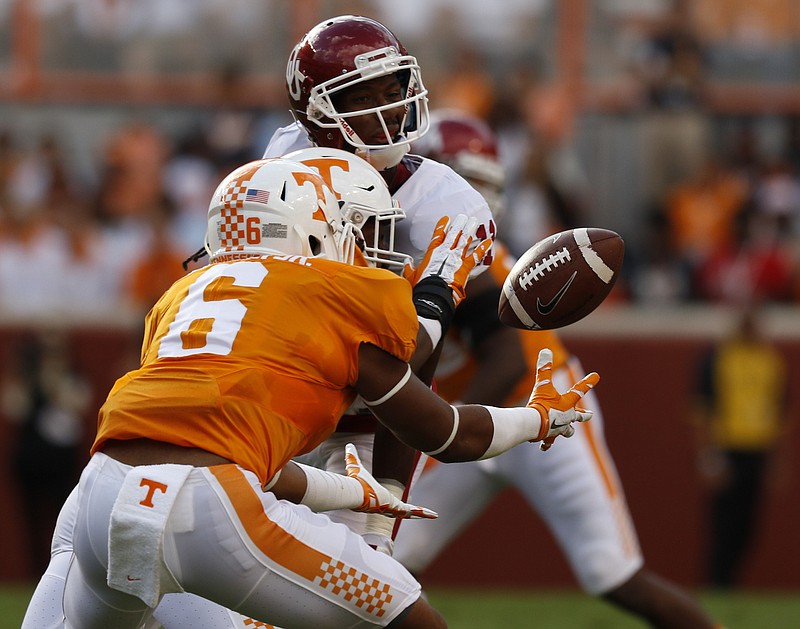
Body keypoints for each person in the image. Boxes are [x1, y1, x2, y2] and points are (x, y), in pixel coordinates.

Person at [23, 156, 599, 629]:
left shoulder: (181, 297)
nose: (368, 249)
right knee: (410, 618)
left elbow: (219, 450)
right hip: (210, 511)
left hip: (99, 499)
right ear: (315, 231)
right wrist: (531, 415)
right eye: (357, 229)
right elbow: (442, 431)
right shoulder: (326, 290)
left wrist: (346, 492)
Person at [391, 109, 723, 629]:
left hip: (545, 407)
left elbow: (506, 361)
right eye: (464, 181)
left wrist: (439, 429)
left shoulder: (481, 261)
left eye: (484, 185)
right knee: (383, 564)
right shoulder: (392, 249)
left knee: (611, 573)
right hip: (462, 416)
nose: (474, 198)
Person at [262, 13, 500, 558]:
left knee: (352, 584)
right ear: (318, 113)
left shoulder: (446, 202)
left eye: (393, 90)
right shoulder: (284, 164)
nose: (389, 110)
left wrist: (387, 491)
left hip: (372, 416)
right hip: (281, 403)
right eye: (363, 96)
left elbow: (417, 347)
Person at [692, 303, 789, 589]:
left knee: (749, 525)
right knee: (724, 523)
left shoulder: (771, 360)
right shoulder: (718, 357)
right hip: (727, 448)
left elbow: (779, 412)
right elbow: (702, 410)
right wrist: (709, 457)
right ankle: (717, 583)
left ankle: (730, 582)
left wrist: (776, 459)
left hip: (758, 449)